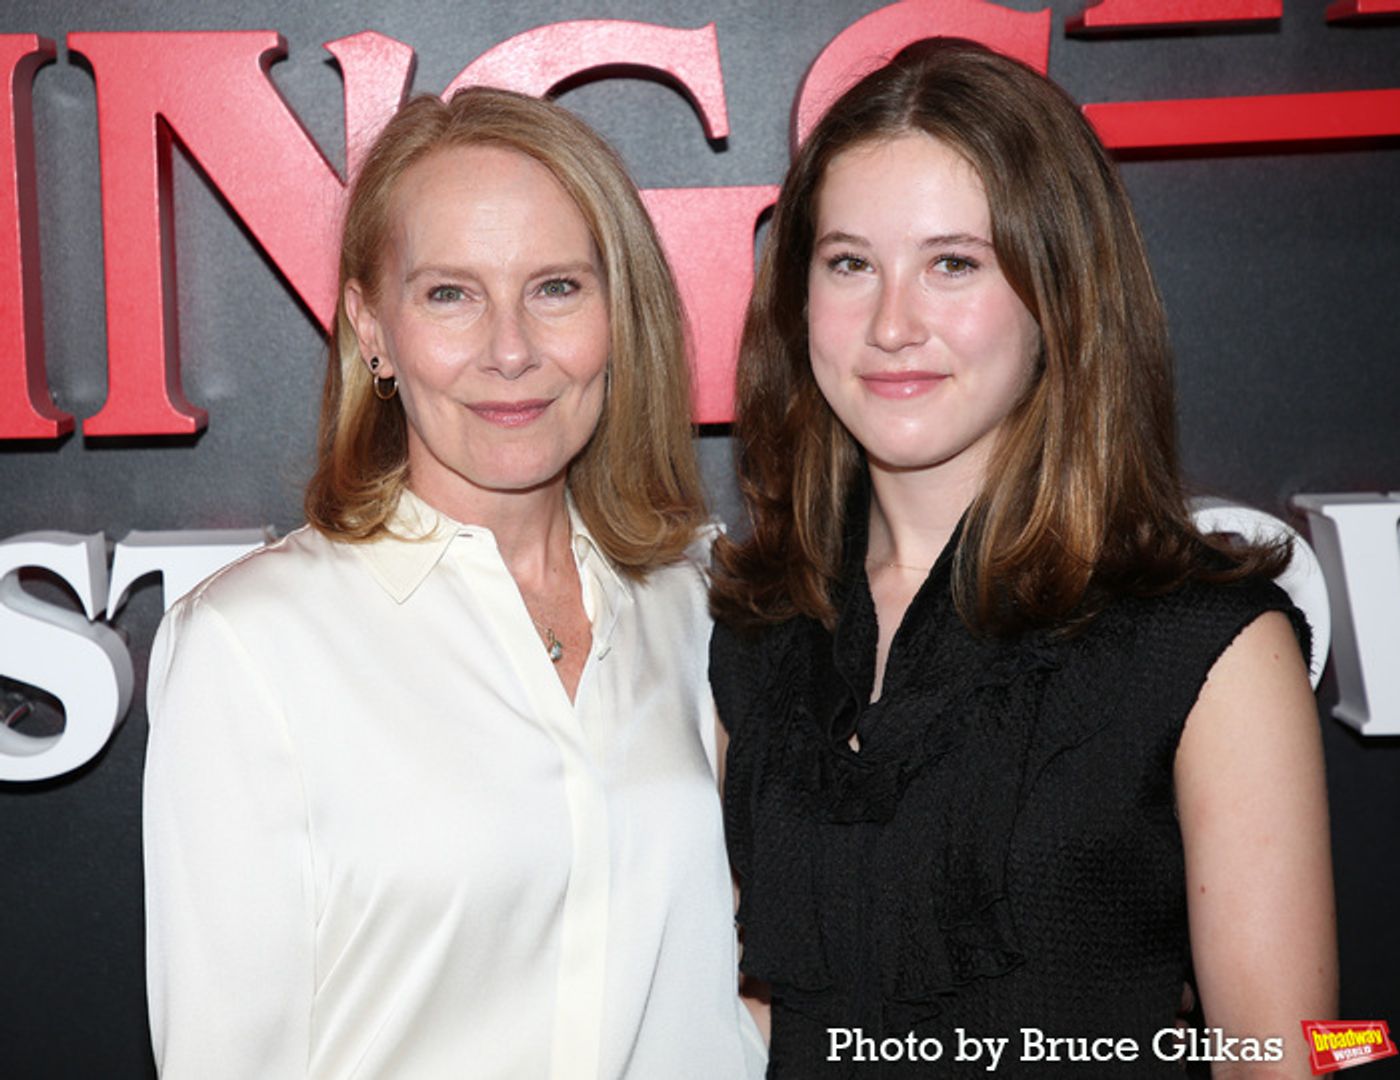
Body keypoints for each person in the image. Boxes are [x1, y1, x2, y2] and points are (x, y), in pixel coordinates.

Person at [709, 38, 1335, 1078]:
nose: (891, 324)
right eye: (848, 264)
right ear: (797, 298)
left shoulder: (1207, 644)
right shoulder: (748, 634)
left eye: (953, 263)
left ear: (1059, 299)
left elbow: (1310, 1052)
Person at [144, 87, 763, 1079]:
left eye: (556, 287)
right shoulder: (251, 642)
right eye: (449, 294)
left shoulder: (689, 610)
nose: (510, 350)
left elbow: (718, 982)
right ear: (371, 330)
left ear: (618, 313)